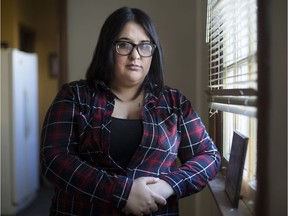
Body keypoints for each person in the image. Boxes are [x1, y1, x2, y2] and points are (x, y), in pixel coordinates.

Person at [40, 6, 221, 216]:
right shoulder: (75, 95)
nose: (136, 55)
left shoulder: (174, 103)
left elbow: (208, 156)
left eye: (145, 46)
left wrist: (168, 184)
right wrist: (122, 193)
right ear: (107, 48)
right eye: (124, 45)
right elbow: (53, 159)